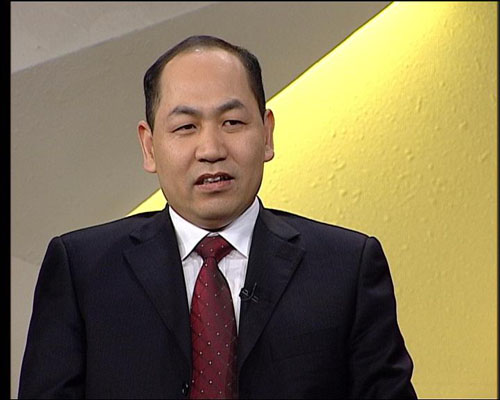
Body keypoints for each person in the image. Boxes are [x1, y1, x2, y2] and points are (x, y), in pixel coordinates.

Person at [19, 35, 417, 399]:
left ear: (267, 134)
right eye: (186, 126)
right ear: (149, 147)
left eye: (232, 123)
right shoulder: (83, 271)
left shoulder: (346, 267)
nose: (210, 149)